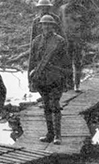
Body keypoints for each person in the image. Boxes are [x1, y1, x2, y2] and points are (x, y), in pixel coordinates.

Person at [28, 14, 71, 144]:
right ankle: (50, 134)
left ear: (53, 26)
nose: (46, 26)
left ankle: (58, 136)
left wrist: (68, 80)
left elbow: (66, 62)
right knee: (46, 106)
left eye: (49, 24)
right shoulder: (36, 41)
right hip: (41, 78)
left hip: (56, 78)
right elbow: (32, 62)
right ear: (40, 26)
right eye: (44, 24)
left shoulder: (60, 41)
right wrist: (30, 81)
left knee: (55, 105)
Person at [55, 0, 92, 91]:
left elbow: (87, 25)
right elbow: (58, 24)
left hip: (78, 39)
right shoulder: (62, 9)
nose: (71, 0)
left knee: (78, 62)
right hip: (66, 39)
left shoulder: (82, 10)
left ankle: (77, 84)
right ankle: (69, 84)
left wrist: (85, 38)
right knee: (66, 62)